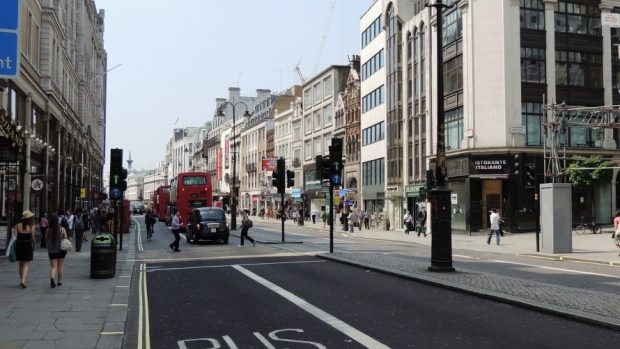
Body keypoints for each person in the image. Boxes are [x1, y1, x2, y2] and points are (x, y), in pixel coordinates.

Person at [14, 210, 36, 288]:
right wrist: (34, 245)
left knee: (20, 263)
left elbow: (15, 237)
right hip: (27, 245)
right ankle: (23, 280)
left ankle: (21, 280)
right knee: (26, 264)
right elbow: (33, 238)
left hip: (19, 245)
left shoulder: (17, 225)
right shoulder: (32, 226)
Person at [46, 213, 68, 288]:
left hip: (52, 250)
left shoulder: (48, 230)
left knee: (53, 266)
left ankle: (52, 278)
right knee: (60, 266)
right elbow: (66, 238)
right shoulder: (62, 229)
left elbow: (46, 240)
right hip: (61, 250)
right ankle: (59, 281)